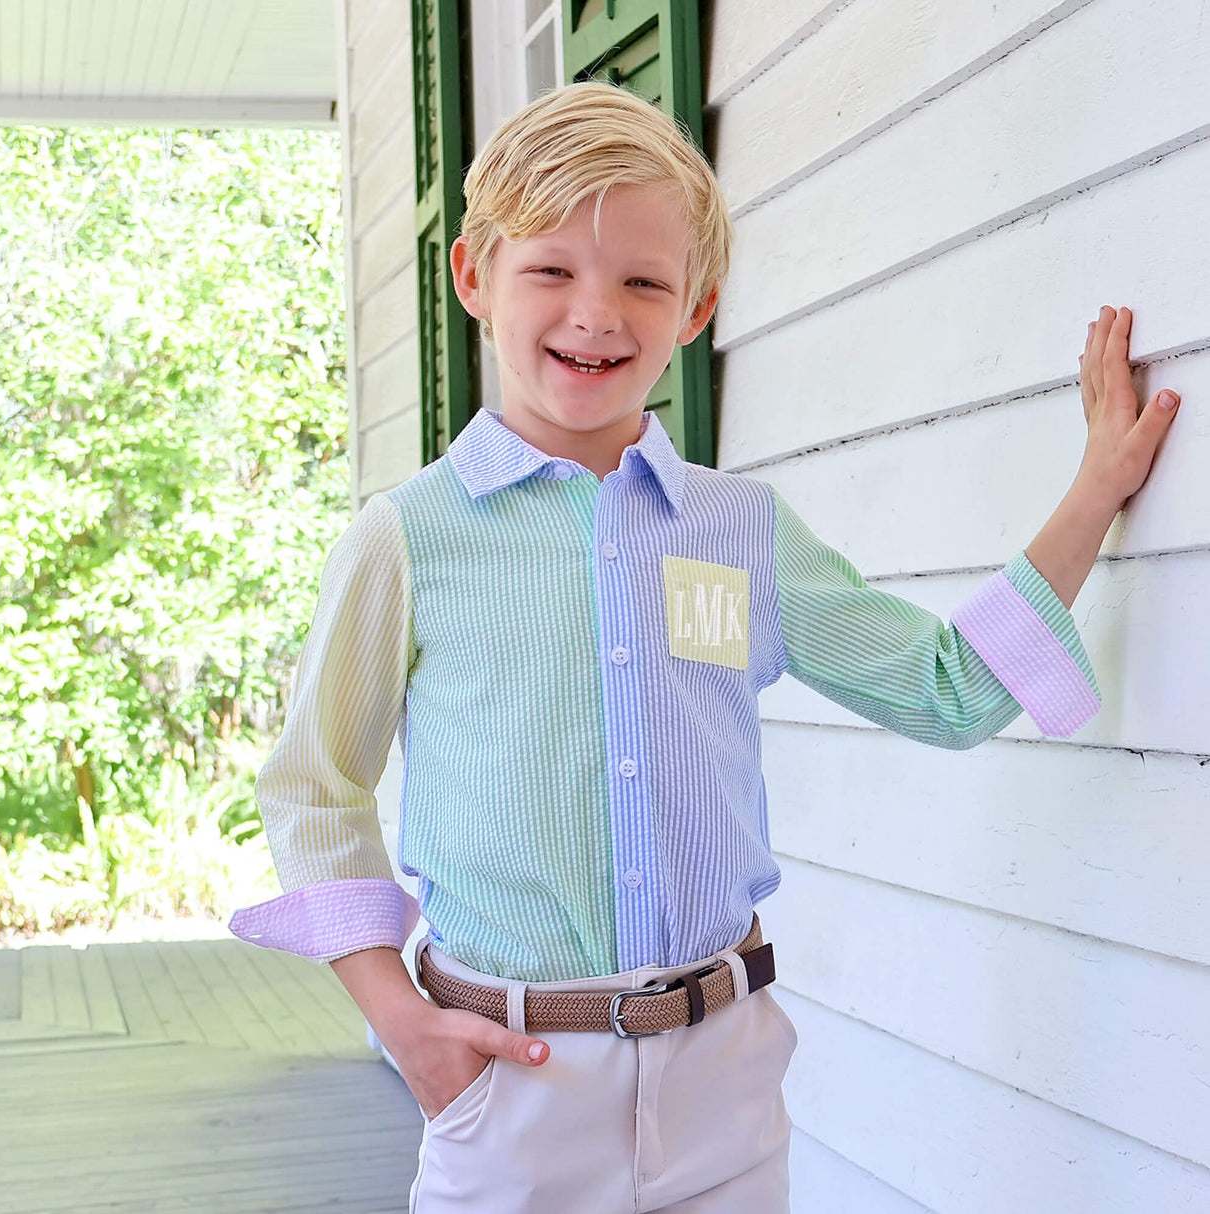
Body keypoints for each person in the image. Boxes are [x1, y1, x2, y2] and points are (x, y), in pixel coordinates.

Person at [230, 82, 1182, 1212]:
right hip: (509, 1083)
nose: (597, 313)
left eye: (642, 279)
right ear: (474, 276)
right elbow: (313, 785)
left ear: (695, 308)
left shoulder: (738, 532)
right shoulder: (407, 537)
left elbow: (949, 689)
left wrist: (1094, 488)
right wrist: (398, 1017)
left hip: (723, 1079)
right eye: (551, 271)